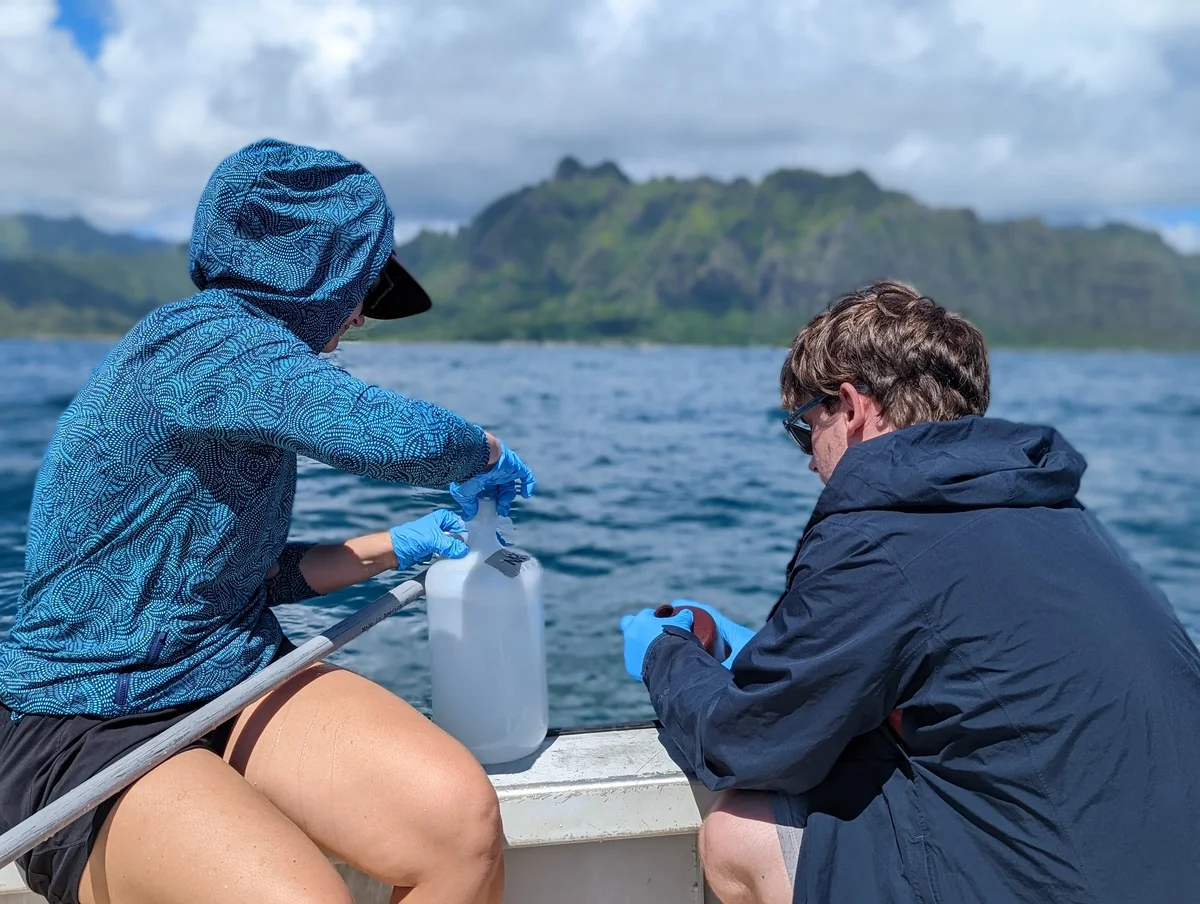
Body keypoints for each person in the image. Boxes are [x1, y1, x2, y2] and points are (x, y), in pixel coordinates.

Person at [0, 139, 535, 904]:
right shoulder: (200, 343)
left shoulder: (245, 375)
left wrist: (401, 545)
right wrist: (479, 449)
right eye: (361, 285)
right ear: (310, 268)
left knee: (460, 826)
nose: (358, 316)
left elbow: (248, 578)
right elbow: (390, 435)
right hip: (85, 719)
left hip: (233, 668)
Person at [619, 281, 1200, 904]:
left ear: (851, 406)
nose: (809, 461)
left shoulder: (880, 532)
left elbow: (746, 743)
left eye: (803, 429)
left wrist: (667, 650)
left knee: (743, 831)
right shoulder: (1061, 514)